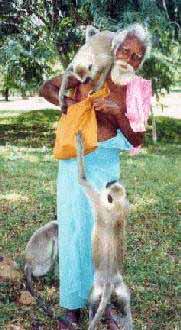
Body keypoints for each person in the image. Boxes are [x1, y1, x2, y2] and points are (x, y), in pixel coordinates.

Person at [40, 23, 152, 330]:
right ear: (115, 48)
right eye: (126, 50)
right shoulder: (91, 69)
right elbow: (47, 87)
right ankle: (70, 309)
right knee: (75, 232)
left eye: (137, 56)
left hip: (106, 169)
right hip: (74, 162)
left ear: (141, 62)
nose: (129, 59)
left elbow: (137, 139)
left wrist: (117, 113)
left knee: (104, 240)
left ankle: (100, 306)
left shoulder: (138, 88)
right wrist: (69, 104)